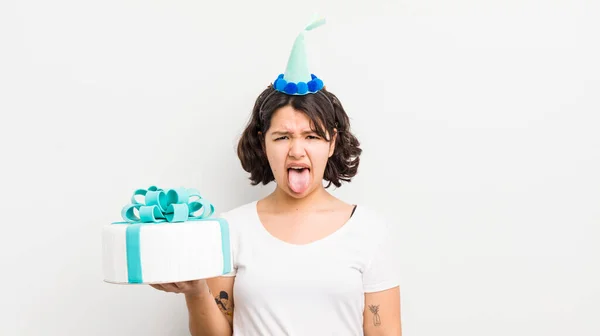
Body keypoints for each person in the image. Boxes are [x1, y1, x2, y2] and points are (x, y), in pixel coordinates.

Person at [150, 17, 402, 335]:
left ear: (332, 142)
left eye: (312, 137)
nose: (297, 151)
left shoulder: (369, 231)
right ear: (263, 142)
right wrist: (196, 291)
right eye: (282, 137)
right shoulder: (229, 230)